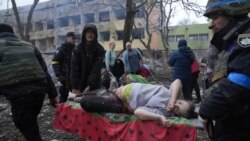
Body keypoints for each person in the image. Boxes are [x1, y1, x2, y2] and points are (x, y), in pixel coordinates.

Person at [198, 0, 250, 140]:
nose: (211, 25)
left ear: (232, 12)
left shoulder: (246, 40)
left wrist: (205, 110)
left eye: (215, 18)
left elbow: (240, 82)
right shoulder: (232, 42)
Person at [0, 24, 58, 141]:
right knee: (30, 124)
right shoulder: (30, 46)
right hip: (39, 92)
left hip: (19, 95)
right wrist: (53, 95)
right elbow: (45, 71)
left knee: (27, 128)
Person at [71, 79, 196, 126]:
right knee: (99, 92)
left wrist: (159, 118)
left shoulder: (163, 112)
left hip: (121, 102)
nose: (175, 105)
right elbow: (178, 81)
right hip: (122, 90)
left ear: (176, 115)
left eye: (177, 109)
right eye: (179, 103)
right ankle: (75, 96)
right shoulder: (171, 94)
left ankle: (78, 99)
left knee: (86, 102)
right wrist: (174, 99)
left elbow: (138, 112)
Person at [71, 23, 105, 94]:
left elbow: (96, 69)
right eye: (88, 32)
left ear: (95, 34)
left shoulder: (100, 49)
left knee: (93, 103)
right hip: (79, 84)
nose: (90, 34)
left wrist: (90, 85)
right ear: (84, 34)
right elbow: (75, 69)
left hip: (94, 84)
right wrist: (75, 86)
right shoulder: (77, 48)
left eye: (92, 32)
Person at [52, 32, 76, 103]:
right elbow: (55, 62)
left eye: (75, 38)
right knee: (64, 97)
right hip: (64, 78)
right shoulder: (61, 49)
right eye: (73, 38)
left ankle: (71, 112)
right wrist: (59, 75)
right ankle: (61, 112)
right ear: (68, 38)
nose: (74, 40)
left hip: (74, 78)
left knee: (74, 97)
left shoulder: (76, 49)